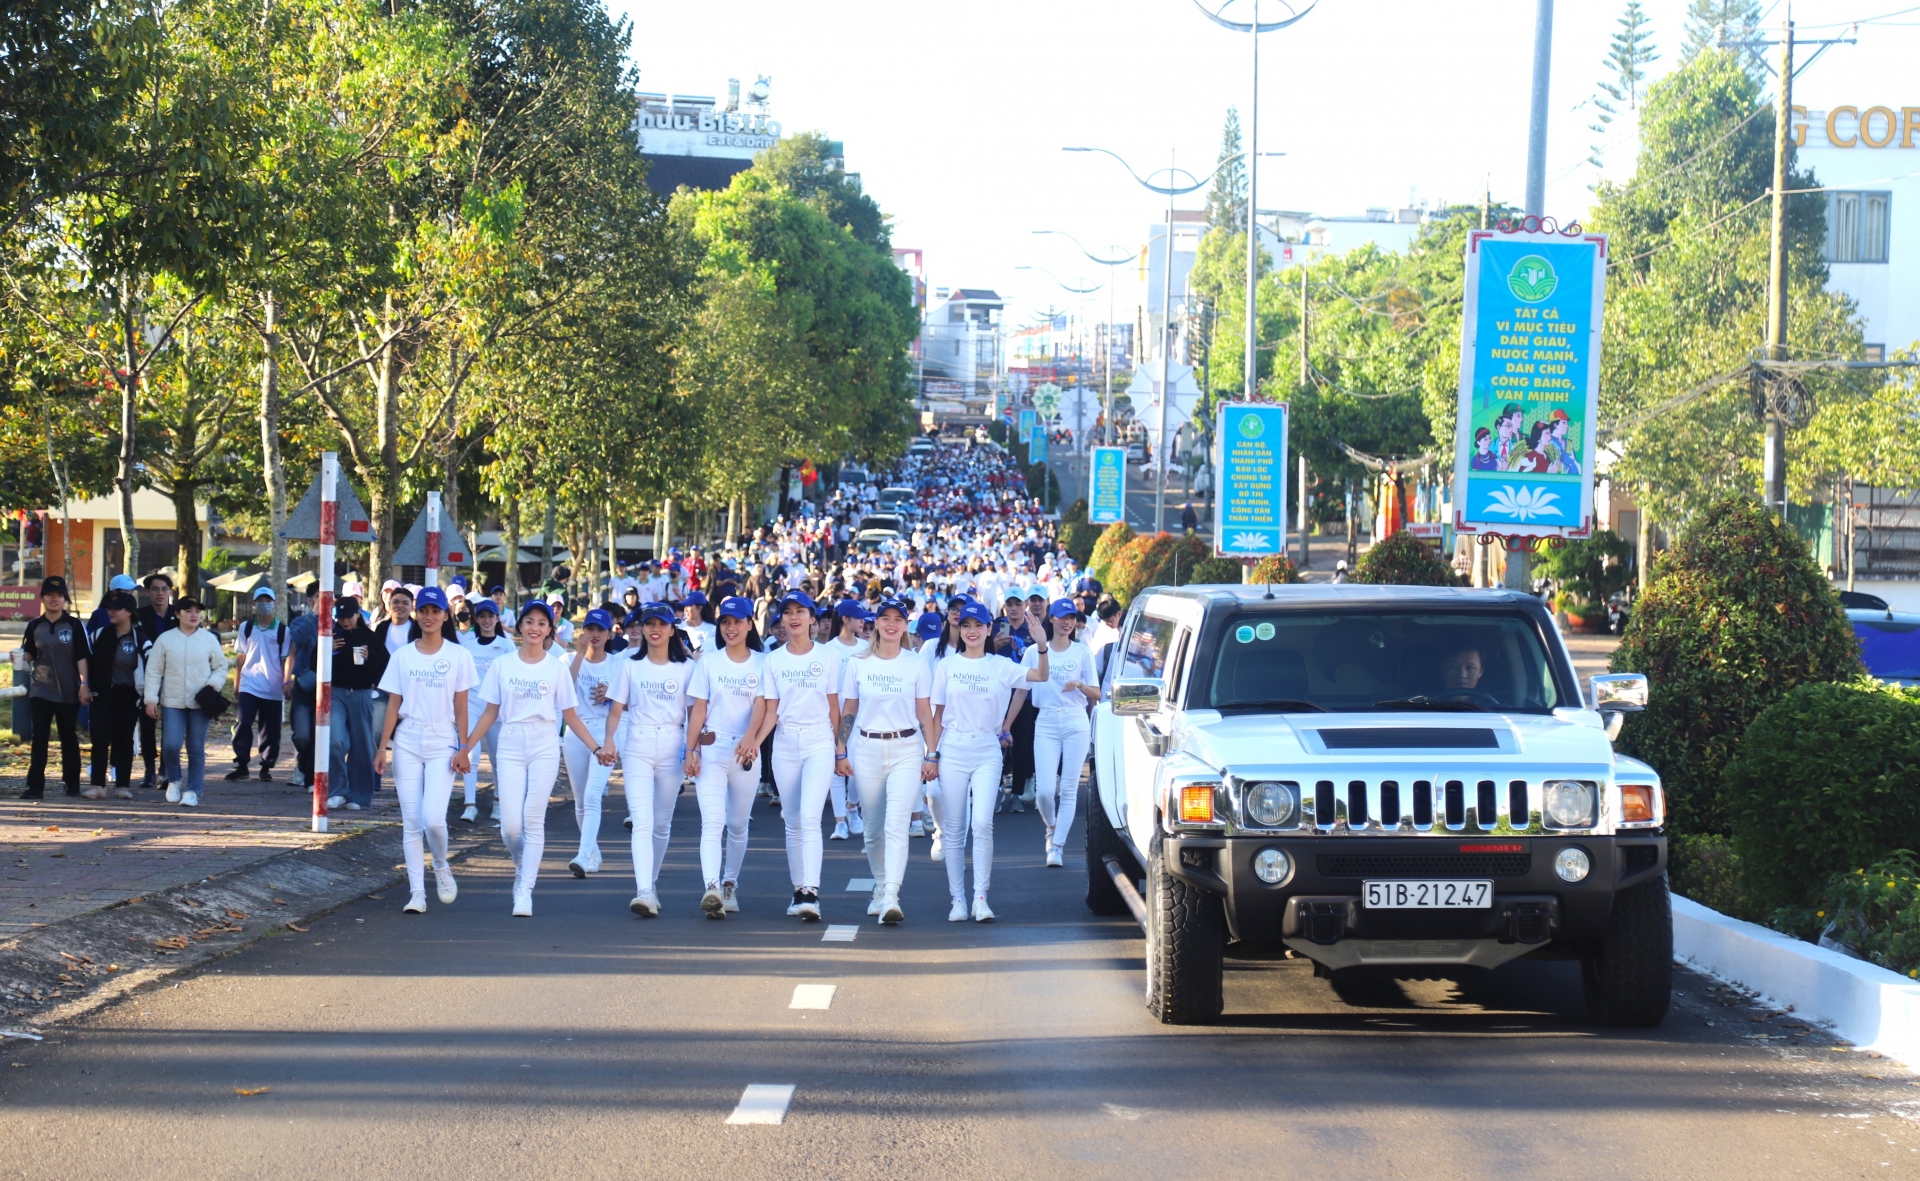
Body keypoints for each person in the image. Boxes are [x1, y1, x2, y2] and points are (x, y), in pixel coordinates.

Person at [457, 601, 607, 917]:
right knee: (510, 829)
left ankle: (525, 890)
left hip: (544, 742)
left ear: (549, 629)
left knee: (533, 819)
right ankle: (520, 865)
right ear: (520, 626)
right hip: (510, 741)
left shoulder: (556, 668)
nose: (535, 628)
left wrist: (596, 748)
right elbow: (489, 713)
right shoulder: (503, 664)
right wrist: (465, 747)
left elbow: (571, 715)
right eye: (529, 621)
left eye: (542, 623)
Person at [925, 599, 1048, 922]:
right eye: (966, 625)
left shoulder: (1000, 665)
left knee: (981, 822)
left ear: (989, 629)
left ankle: (981, 897)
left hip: (986, 749)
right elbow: (936, 715)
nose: (972, 631)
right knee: (954, 827)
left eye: (978, 625)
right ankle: (957, 900)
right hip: (952, 748)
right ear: (959, 629)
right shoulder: (946, 666)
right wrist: (932, 754)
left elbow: (1039, 676)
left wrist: (1042, 646)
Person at [371, 586, 475, 914]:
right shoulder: (403, 655)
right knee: (411, 822)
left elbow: (462, 707)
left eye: (436, 611)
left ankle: (441, 865)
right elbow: (393, 705)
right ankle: (417, 892)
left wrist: (464, 747)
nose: (429, 617)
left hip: (442, 740)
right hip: (407, 740)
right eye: (424, 611)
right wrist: (382, 748)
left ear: (446, 615)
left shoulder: (459, 656)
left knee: (433, 818)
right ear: (417, 613)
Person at [835, 596, 935, 925]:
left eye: (898, 619)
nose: (891, 623)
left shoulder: (915, 662)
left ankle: (892, 892)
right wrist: (841, 749)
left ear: (906, 625)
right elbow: (849, 708)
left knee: (896, 825)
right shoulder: (858, 662)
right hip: (866, 749)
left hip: (906, 748)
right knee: (873, 831)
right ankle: (880, 884)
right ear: (875, 623)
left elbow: (924, 710)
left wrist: (930, 753)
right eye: (885, 618)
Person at [754, 590, 840, 921]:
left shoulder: (828, 657)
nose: (793, 617)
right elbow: (771, 711)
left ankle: (811, 891)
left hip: (819, 741)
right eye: (787, 612)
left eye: (800, 612)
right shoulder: (773, 660)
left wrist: (840, 747)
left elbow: (835, 705)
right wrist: (756, 743)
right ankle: (798, 890)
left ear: (811, 620)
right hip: (785, 744)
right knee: (791, 822)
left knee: (809, 818)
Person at [601, 604, 691, 916]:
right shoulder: (629, 665)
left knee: (662, 823)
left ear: (671, 630)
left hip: (672, 744)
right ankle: (643, 890)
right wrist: (609, 740)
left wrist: (693, 750)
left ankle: (651, 883)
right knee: (642, 820)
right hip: (637, 742)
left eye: (661, 624)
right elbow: (615, 709)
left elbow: (696, 712)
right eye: (649, 623)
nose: (654, 629)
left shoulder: (686, 668)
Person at [682, 596, 767, 918]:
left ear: (749, 624)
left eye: (738, 622)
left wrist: (751, 738)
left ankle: (730, 883)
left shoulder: (762, 662)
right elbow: (699, 708)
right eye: (725, 622)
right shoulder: (709, 662)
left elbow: (763, 704)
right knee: (712, 822)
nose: (731, 628)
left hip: (746, 752)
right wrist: (690, 750)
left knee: (738, 823)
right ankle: (712, 887)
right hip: (712, 748)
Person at [1025, 600, 1098, 868]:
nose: (1067, 622)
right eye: (1062, 617)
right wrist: (1006, 724)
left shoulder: (1082, 653)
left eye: (1072, 618)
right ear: (1052, 619)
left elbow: (1097, 693)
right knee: (1044, 791)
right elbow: (1021, 689)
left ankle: (1057, 847)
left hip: (1075, 720)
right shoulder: (1035, 651)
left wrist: (1079, 684)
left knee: (1068, 789)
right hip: (1045, 720)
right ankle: (1051, 826)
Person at [142, 596, 226, 807]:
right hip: (172, 701)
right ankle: (174, 779)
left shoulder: (208, 639)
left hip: (201, 702)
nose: (194, 615)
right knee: (170, 745)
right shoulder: (165, 639)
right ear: (178, 614)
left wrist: (213, 685)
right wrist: (151, 699)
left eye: (197, 611)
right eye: (188, 611)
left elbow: (221, 666)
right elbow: (153, 671)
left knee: (195, 747)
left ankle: (194, 790)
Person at [18, 576, 92, 800]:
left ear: (65, 600)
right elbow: (29, 652)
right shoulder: (34, 626)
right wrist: (21, 656)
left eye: (59, 595)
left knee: (68, 736)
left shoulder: (74, 625)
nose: (55, 599)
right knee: (39, 737)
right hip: (41, 688)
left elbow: (82, 656)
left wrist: (84, 685)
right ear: (42, 598)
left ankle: (72, 783)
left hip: (69, 690)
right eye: (50, 595)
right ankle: (35, 787)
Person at [562, 608, 622, 879]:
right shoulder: (567, 659)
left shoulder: (618, 664)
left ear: (609, 634)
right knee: (579, 800)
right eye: (590, 629)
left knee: (592, 794)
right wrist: (578, 654)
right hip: (575, 732)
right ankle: (593, 852)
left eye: (600, 630)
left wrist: (610, 695)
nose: (594, 635)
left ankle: (583, 854)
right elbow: (563, 690)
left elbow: (630, 701)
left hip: (605, 732)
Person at [85, 589, 146, 800]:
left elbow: (153, 666)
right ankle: (97, 785)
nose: (111, 612)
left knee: (124, 741)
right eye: (109, 608)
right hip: (102, 695)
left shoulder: (140, 639)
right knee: (99, 738)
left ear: (128, 612)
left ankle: (122, 785)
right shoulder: (98, 634)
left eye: (117, 608)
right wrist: (84, 685)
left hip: (128, 696)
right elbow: (84, 660)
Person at [457, 598, 512, 822]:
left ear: (497, 618)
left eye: (491, 616)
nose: (487, 620)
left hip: (496, 707)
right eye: (482, 616)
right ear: (476, 619)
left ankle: (498, 802)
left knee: (499, 757)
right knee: (470, 752)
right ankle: (470, 804)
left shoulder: (506, 645)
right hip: (472, 703)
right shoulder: (467, 645)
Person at [326, 597, 383, 811]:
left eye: (348, 616)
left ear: (358, 613)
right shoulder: (330, 635)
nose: (344, 621)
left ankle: (359, 795)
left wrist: (370, 658)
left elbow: (382, 670)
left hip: (361, 693)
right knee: (335, 740)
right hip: (336, 693)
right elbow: (314, 663)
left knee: (362, 744)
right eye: (340, 617)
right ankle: (337, 789)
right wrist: (327, 650)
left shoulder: (371, 637)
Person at [227, 586, 286, 782]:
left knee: (270, 729)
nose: (264, 605)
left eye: (268, 601)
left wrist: (286, 682)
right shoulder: (247, 627)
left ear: (274, 604)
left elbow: (286, 659)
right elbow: (241, 656)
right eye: (260, 601)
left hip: (273, 686)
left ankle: (266, 766)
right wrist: (237, 681)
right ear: (254, 605)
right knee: (243, 722)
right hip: (249, 684)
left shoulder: (283, 630)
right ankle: (242, 763)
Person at [824, 598, 869, 841]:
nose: (863, 621)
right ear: (845, 619)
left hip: (860, 714)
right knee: (836, 766)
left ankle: (852, 808)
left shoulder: (866, 647)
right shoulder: (829, 649)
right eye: (858, 617)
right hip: (833, 712)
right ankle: (840, 821)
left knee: (857, 767)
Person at [132, 573, 178, 789]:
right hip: (147, 676)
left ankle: (165, 769)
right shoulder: (138, 616)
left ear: (170, 591)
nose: (160, 593)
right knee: (147, 724)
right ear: (148, 592)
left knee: (170, 725)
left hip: (174, 676)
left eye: (164, 589)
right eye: (155, 589)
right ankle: (149, 769)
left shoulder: (178, 616)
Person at [285, 600, 319, 790]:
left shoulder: (337, 623)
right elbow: (296, 638)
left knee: (318, 735)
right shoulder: (301, 622)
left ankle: (309, 776)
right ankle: (303, 765)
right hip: (304, 686)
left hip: (327, 689)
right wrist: (313, 616)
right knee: (302, 735)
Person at [678, 590, 716, 655]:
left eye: (688, 606)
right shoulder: (680, 627)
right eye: (685, 606)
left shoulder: (712, 630)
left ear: (699, 608)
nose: (685, 610)